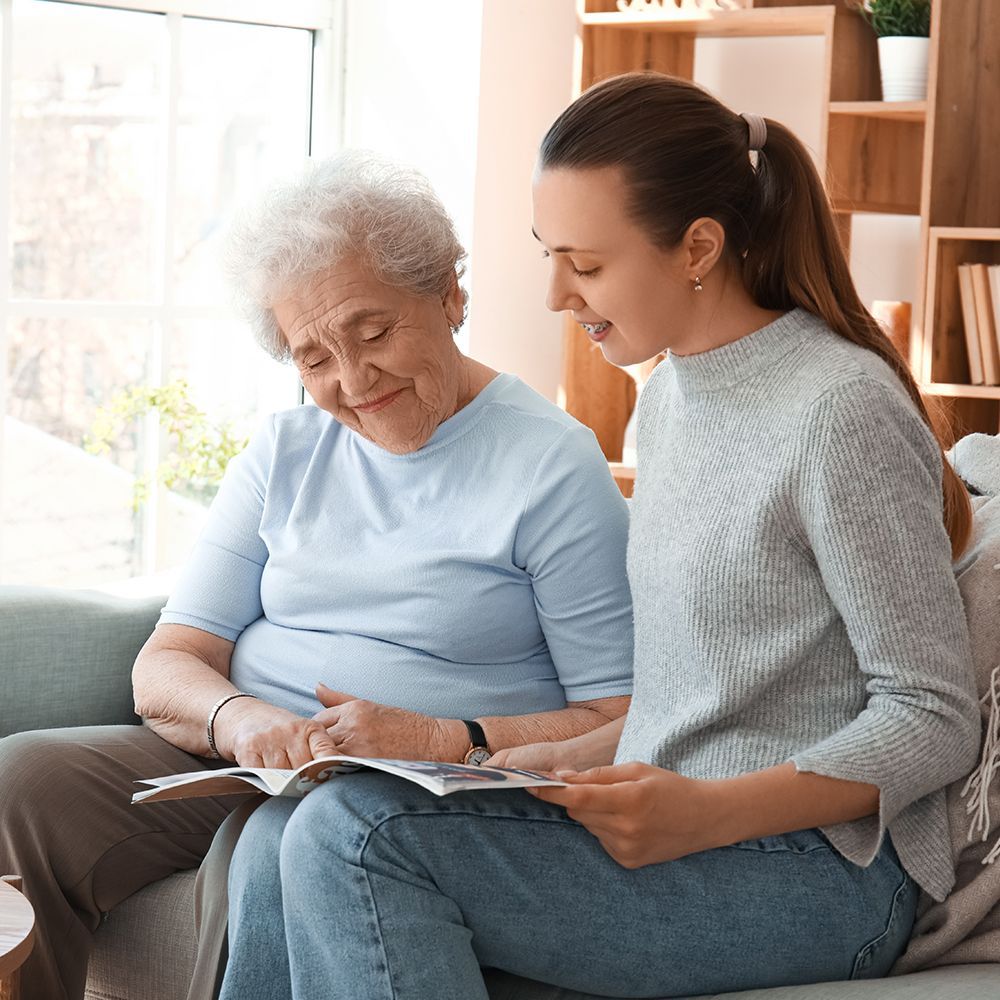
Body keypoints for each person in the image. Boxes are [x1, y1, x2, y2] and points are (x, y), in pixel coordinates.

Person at [215, 73, 981, 1000]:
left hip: (823, 876)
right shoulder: (666, 401)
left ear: (698, 247)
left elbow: (933, 719)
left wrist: (705, 813)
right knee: (275, 833)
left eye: (583, 264)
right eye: (548, 256)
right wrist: (528, 762)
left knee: (359, 836)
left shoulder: (839, 410)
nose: (552, 296)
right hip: (686, 821)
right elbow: (696, 697)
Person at [0, 151, 636, 1000]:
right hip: (254, 758)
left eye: (374, 333)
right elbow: (170, 659)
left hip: (414, 788)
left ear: (449, 294)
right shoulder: (286, 450)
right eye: (313, 357)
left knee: (287, 834)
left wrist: (439, 738)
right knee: (26, 780)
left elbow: (621, 714)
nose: (352, 379)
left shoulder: (552, 463)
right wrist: (242, 719)